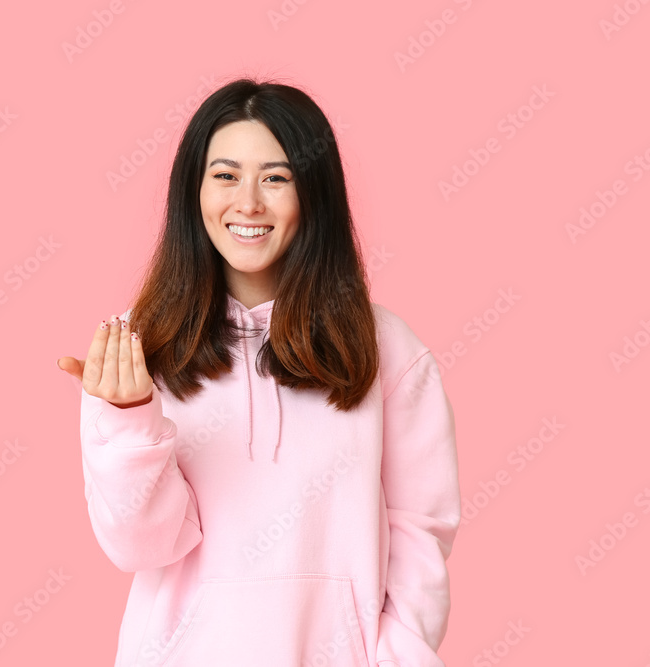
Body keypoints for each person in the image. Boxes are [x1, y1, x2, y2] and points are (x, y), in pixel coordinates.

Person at [58, 77, 461, 667]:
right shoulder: (137, 347)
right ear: (192, 192)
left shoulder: (387, 350)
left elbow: (419, 531)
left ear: (313, 194)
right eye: (225, 176)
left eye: (276, 178)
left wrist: (398, 656)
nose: (248, 203)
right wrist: (129, 419)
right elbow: (141, 547)